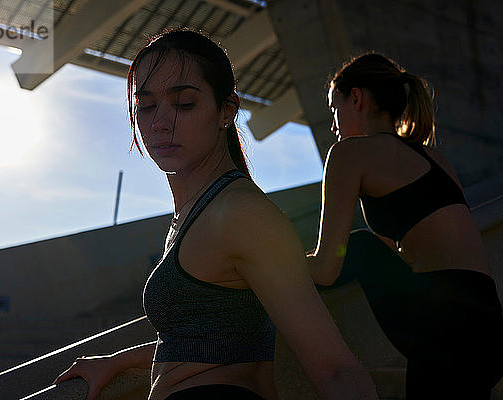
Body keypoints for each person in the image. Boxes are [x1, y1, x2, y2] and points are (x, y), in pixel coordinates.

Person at [54, 30, 378, 400]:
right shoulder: (203, 211)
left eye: (184, 104)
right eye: (146, 106)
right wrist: (118, 360)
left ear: (226, 110)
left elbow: (337, 369)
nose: (160, 122)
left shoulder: (241, 214)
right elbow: (213, 337)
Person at [307, 52, 503, 399]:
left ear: (357, 98)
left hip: (443, 323)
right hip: (488, 325)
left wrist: (268, 268)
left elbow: (326, 267)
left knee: (359, 245)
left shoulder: (350, 154)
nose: (333, 125)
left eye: (333, 109)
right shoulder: (435, 159)